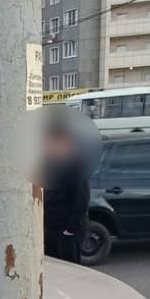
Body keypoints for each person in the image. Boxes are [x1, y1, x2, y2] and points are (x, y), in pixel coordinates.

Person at [41, 110, 94, 263]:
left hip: (66, 231)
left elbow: (81, 200)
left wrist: (70, 230)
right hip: (50, 228)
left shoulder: (75, 166)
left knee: (69, 268)